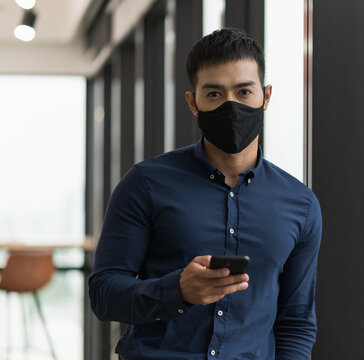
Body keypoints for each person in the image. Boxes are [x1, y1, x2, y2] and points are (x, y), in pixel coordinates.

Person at [89, 28, 322, 360]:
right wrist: (177, 290)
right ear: (193, 102)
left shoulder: (300, 204)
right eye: (214, 94)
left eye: (244, 92)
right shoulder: (145, 183)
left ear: (265, 97)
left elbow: (296, 322)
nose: (231, 106)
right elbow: (104, 294)